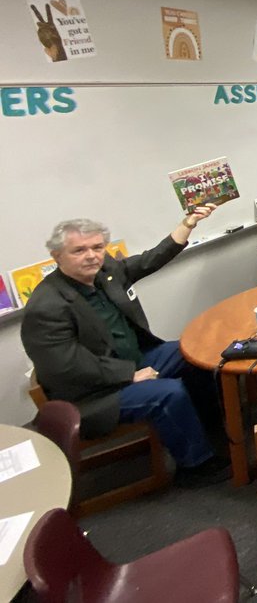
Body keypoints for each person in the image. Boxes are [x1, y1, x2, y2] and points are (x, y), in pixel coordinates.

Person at [20, 208, 229, 487]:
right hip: (92, 393)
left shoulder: (106, 271)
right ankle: (196, 464)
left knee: (192, 353)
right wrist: (128, 374)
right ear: (57, 256)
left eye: (97, 247)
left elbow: (150, 260)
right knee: (168, 393)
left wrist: (188, 223)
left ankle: (209, 428)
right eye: (79, 250)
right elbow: (65, 366)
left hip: (135, 361)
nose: (91, 255)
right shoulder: (47, 306)